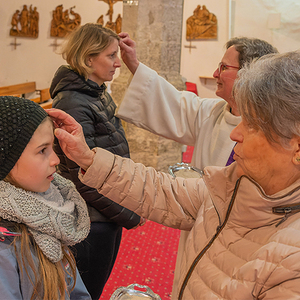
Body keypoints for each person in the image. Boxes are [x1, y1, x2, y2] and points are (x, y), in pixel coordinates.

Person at [48, 50, 300, 299]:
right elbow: (164, 191)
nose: (235, 134)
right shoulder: (238, 184)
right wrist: (88, 158)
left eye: (253, 125)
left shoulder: (292, 262)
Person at [116, 33, 279, 291]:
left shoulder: (272, 134)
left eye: (224, 67)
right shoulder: (213, 113)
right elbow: (172, 101)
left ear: (250, 73)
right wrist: (134, 64)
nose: (215, 73)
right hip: (198, 223)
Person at [50, 23, 143, 299]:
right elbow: (83, 177)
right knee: (85, 292)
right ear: (89, 58)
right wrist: (128, 213)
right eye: (111, 55)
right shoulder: (74, 103)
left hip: (106, 212)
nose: (118, 63)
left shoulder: (96, 93)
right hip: (91, 219)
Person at [0, 96, 91, 300]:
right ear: (6, 161)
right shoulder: (5, 248)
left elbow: (75, 291)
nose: (56, 160)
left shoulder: (50, 212)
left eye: (52, 147)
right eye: (42, 150)